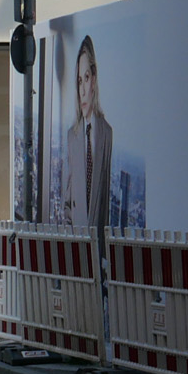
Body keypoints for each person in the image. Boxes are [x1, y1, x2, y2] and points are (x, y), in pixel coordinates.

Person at [58, 35, 114, 231]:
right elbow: (67, 200)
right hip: (76, 240)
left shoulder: (106, 133)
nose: (82, 90)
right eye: (79, 81)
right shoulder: (72, 136)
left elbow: (104, 203)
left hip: (97, 241)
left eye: (86, 78)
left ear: (94, 79)